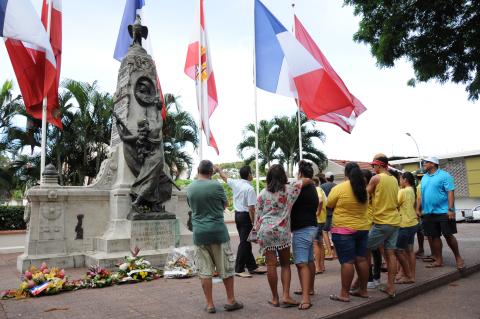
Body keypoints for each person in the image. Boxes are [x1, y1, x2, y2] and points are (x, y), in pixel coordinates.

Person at [186, 160, 243, 313]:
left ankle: (210, 304)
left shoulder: (190, 188)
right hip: (218, 232)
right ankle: (231, 300)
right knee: (225, 267)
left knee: (204, 270)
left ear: (198, 170)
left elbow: (191, 207)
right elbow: (224, 205)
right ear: (211, 172)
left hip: (199, 233)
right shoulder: (216, 185)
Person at [252, 164, 311, 309]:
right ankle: (286, 295)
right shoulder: (290, 190)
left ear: (268, 177)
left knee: (270, 265)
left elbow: (257, 217)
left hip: (265, 231)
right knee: (285, 264)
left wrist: (255, 233)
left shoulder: (262, 194)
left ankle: (274, 298)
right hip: (282, 231)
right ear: (283, 176)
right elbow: (307, 180)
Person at [328, 162, 371, 302]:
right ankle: (363, 290)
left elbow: (329, 204)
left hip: (343, 230)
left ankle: (344, 294)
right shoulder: (364, 189)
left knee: (347, 262)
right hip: (363, 229)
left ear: (346, 174)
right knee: (362, 259)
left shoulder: (340, 188)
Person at [217, 165, 266, 277]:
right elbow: (251, 208)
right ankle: (239, 269)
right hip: (245, 216)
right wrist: (253, 222)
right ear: (248, 174)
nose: (252, 175)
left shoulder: (236, 183)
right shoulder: (249, 189)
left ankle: (252, 266)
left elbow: (225, 177)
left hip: (237, 215)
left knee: (246, 241)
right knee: (244, 242)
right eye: (252, 173)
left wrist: (219, 170)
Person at [417, 157, 465, 270]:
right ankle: (439, 259)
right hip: (428, 212)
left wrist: (450, 209)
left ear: (433, 164)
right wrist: (418, 209)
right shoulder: (424, 178)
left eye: (426, 162)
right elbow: (421, 195)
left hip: (443, 211)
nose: (424, 164)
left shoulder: (445, 175)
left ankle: (458, 258)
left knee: (448, 235)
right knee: (434, 237)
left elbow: (450, 192)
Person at [366, 155, 400, 298]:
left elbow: (364, 194)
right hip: (394, 221)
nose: (372, 169)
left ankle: (361, 283)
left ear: (378, 166)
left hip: (381, 222)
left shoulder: (376, 178)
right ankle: (390, 287)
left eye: (373, 166)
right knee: (390, 254)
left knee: (363, 249)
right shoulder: (394, 179)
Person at [291, 161, 319, 310]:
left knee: (301, 264)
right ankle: (309, 289)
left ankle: (306, 298)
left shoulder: (301, 186)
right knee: (308, 261)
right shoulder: (312, 187)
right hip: (311, 226)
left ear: (301, 174)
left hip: (302, 229)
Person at [395, 172, 419, 284]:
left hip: (404, 225)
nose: (400, 181)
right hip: (413, 223)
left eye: (400, 179)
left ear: (405, 180)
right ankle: (412, 276)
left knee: (399, 251)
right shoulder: (412, 191)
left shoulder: (403, 191)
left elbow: (395, 204)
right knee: (410, 251)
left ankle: (407, 275)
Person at [321, 172, 337, 259]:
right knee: (334, 231)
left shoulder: (322, 187)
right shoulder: (337, 186)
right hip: (335, 212)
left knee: (324, 231)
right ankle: (335, 252)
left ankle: (330, 252)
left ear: (326, 178)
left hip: (326, 212)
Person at [313, 177, 327, 274]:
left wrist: (317, 212)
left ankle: (317, 267)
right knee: (320, 242)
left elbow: (320, 200)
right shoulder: (321, 189)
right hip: (322, 219)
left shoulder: (317, 189)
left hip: (318, 219)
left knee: (315, 243)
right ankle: (322, 265)